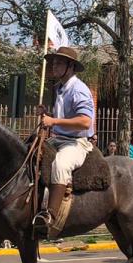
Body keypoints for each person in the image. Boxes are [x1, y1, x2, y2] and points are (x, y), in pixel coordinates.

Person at [34, 45, 96, 239]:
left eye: (59, 63)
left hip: (76, 142)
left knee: (60, 164)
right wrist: (47, 114)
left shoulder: (78, 89)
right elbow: (63, 118)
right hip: (58, 139)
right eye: (53, 63)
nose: (54, 66)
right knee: (30, 152)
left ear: (70, 66)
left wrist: (53, 121)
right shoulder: (60, 88)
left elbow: (85, 122)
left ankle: (50, 216)